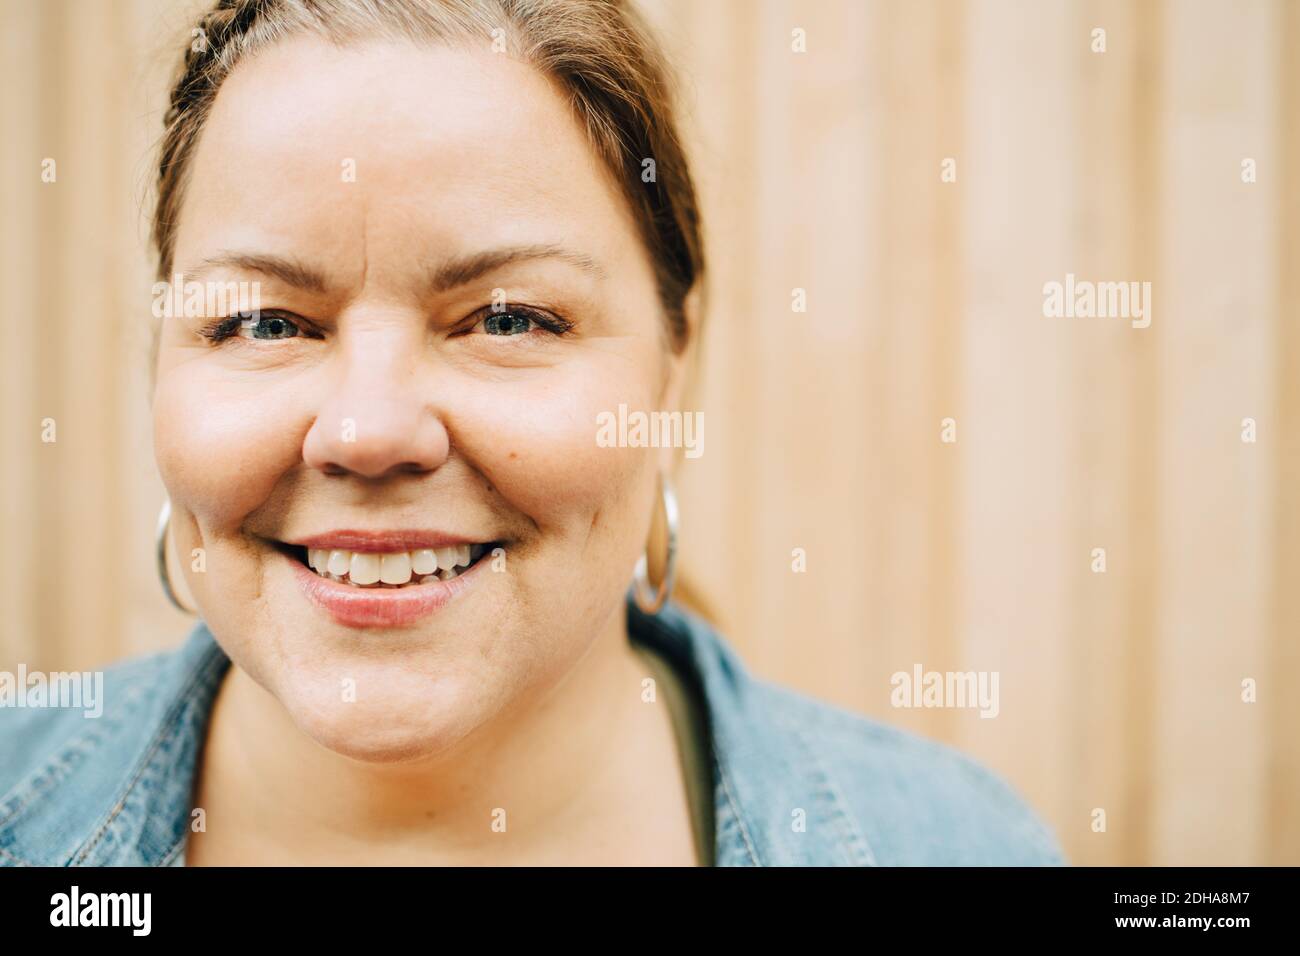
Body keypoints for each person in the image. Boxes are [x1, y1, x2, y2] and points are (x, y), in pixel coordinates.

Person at [0, 0, 1065, 867]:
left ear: (670, 368)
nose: (369, 431)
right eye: (266, 321)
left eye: (509, 317)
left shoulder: (954, 845)